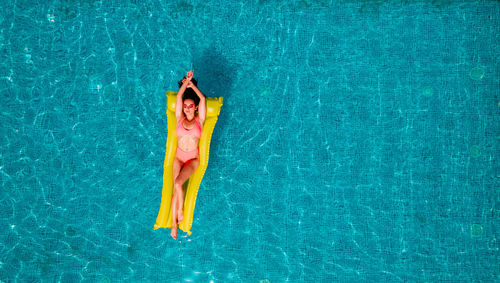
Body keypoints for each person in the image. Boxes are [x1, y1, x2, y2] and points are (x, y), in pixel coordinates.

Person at [171, 70, 206, 240]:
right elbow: (179, 98)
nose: (187, 109)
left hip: (192, 159)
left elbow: (204, 99)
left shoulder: (200, 121)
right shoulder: (179, 118)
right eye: (185, 106)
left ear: (196, 107)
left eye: (191, 106)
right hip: (178, 156)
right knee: (175, 189)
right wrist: (186, 83)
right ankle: (173, 226)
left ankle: (180, 210)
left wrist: (192, 85)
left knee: (178, 183)